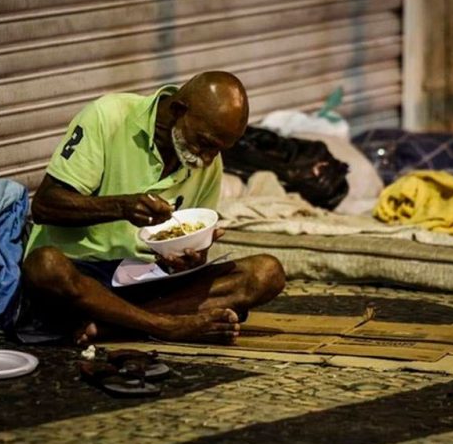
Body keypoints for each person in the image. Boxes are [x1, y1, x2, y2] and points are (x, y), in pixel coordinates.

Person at [21, 71, 286, 345]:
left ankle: (117, 327)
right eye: (205, 143)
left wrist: (188, 259)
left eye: (218, 150)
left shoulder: (207, 163)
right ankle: (166, 325)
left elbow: (185, 244)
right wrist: (121, 206)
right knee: (45, 266)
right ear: (178, 110)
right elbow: (45, 205)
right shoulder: (108, 116)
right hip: (83, 276)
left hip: (143, 277)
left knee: (266, 272)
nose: (207, 158)